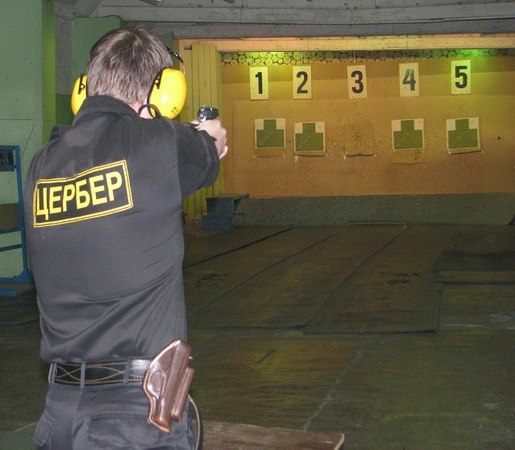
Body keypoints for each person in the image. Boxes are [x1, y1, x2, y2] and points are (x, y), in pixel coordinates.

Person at [23, 26, 227, 449]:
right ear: (163, 92)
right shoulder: (159, 143)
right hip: (134, 421)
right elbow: (209, 149)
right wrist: (204, 133)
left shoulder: (41, 166)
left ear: (85, 88)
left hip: (60, 416)